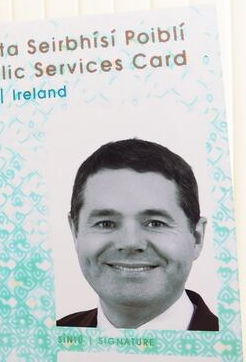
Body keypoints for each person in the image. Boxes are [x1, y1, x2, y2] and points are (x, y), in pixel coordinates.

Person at [56, 139, 218, 331]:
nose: (130, 242)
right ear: (75, 232)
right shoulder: (43, 341)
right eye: (105, 223)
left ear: (197, 238)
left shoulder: (237, 346)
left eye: (155, 223)